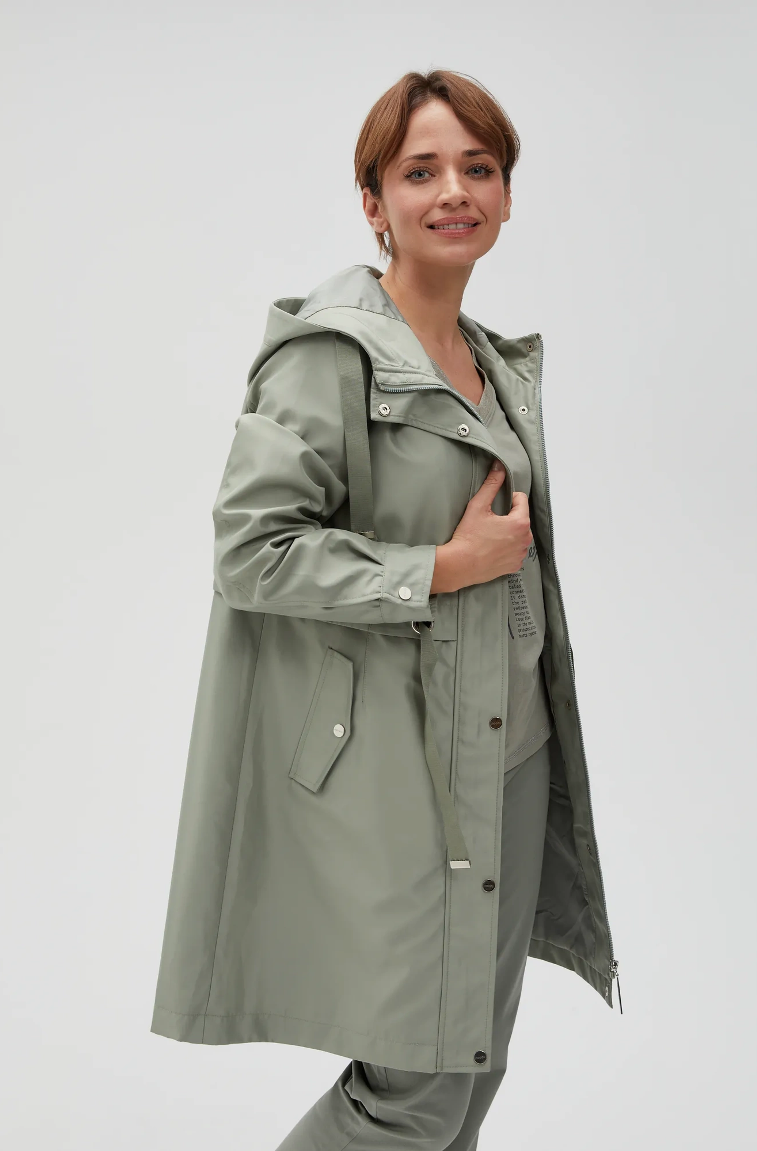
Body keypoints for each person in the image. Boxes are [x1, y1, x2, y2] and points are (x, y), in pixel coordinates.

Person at [149, 69, 618, 1150]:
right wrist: (437, 568)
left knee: (468, 1074)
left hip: (509, 748)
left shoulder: (489, 361)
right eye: (421, 171)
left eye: (478, 167)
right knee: (412, 1088)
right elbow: (251, 550)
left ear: (506, 194)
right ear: (374, 202)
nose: (454, 190)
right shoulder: (332, 354)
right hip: (400, 765)